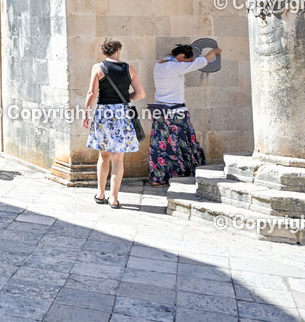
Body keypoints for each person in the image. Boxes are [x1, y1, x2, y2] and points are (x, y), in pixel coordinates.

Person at [83, 38, 147, 209]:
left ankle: (100, 194)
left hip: (103, 113)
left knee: (103, 156)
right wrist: (125, 98)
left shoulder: (98, 68)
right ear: (118, 50)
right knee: (118, 158)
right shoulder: (129, 69)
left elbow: (91, 93)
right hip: (122, 114)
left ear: (104, 52)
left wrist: (86, 113)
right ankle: (114, 199)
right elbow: (140, 94)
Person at [148, 44, 221, 186]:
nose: (188, 64)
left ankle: (158, 178)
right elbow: (202, 61)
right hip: (176, 113)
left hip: (159, 112)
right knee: (185, 144)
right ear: (181, 57)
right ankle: (185, 173)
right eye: (187, 61)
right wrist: (213, 51)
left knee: (160, 146)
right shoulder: (176, 67)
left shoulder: (159, 65)